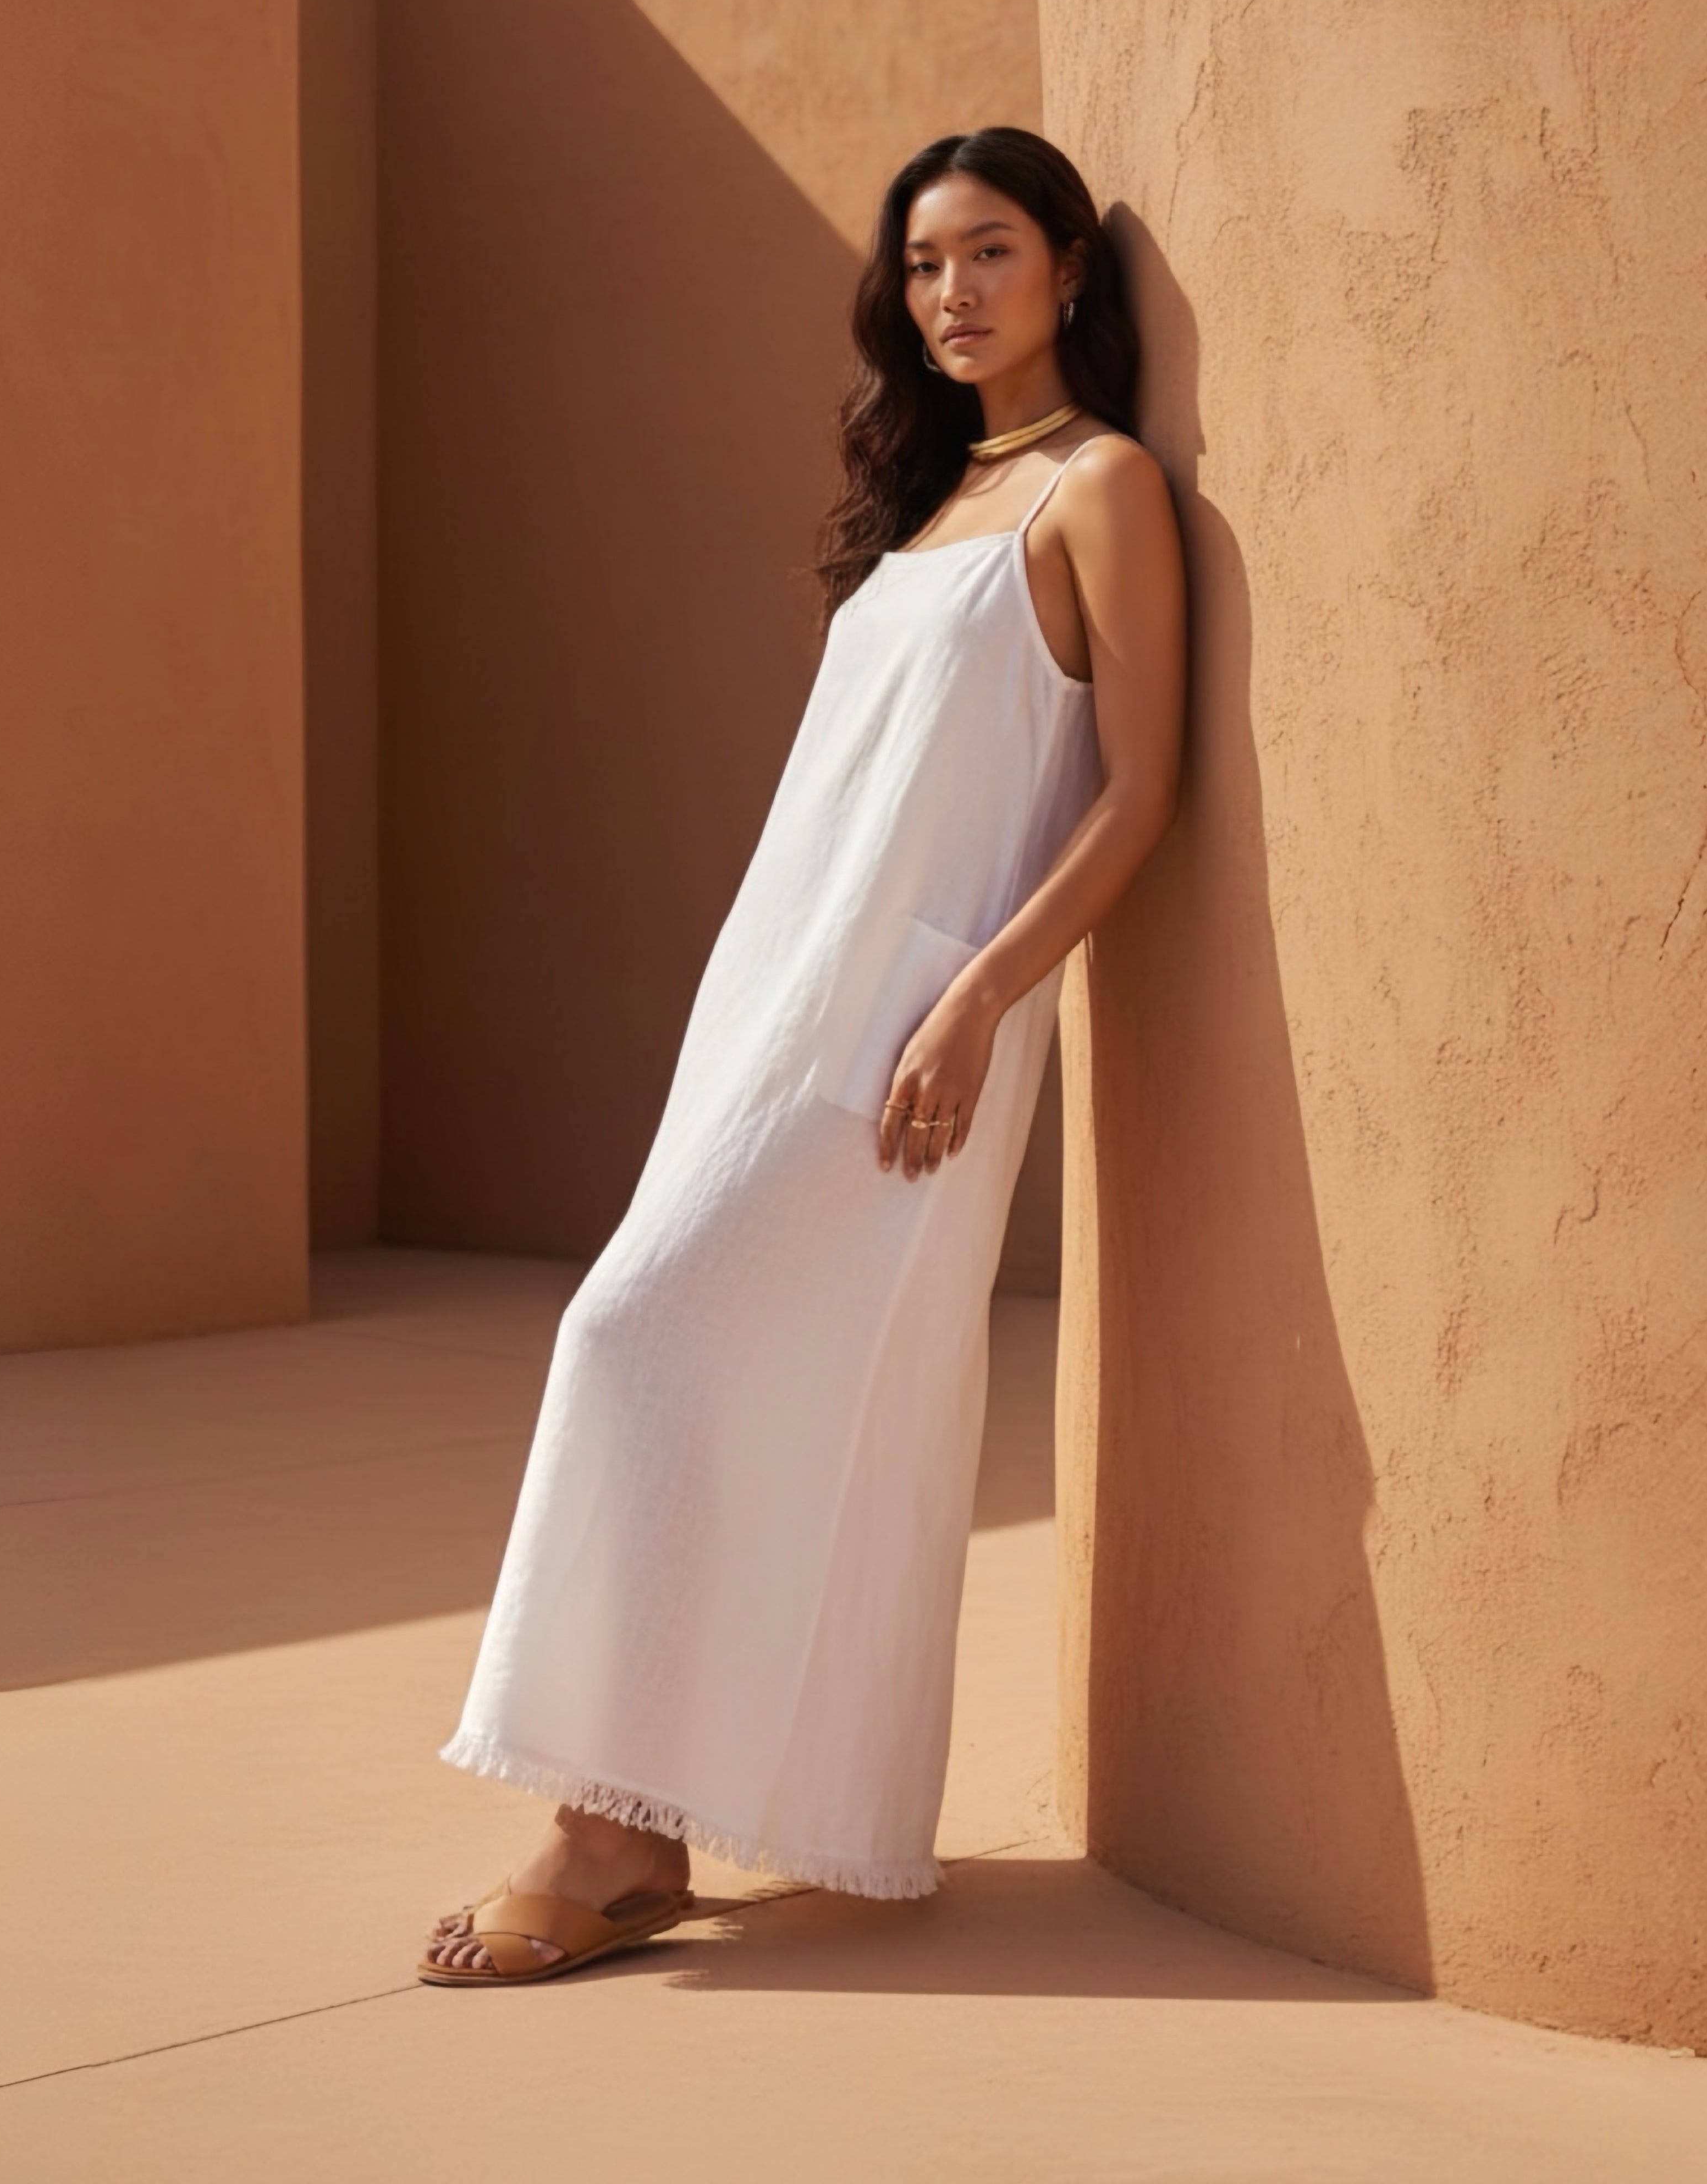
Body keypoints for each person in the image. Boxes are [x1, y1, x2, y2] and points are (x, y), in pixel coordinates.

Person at [419, 128, 1186, 1984]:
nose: (950, 293)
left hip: (918, 1028)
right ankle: (644, 1821)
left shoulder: (1101, 493)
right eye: (923, 264)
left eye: (988, 253)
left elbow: (1141, 794)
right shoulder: (940, 500)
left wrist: (981, 999)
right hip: (778, 1005)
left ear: (1071, 270)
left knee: (639, 1336)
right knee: (706, 1371)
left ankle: (608, 1833)